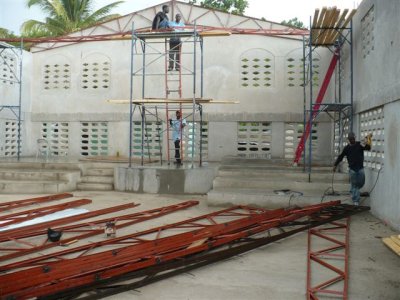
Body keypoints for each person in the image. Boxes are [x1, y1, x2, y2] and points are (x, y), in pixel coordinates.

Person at [333, 132, 372, 205]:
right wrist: (335, 165)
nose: (352, 140)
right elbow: (340, 157)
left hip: (360, 168)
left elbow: (368, 148)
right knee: (354, 185)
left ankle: (354, 191)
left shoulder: (359, 144)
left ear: (355, 138)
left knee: (361, 183)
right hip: (352, 169)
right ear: (349, 139)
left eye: (353, 138)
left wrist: (369, 140)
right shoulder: (347, 148)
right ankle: (356, 201)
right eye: (351, 139)